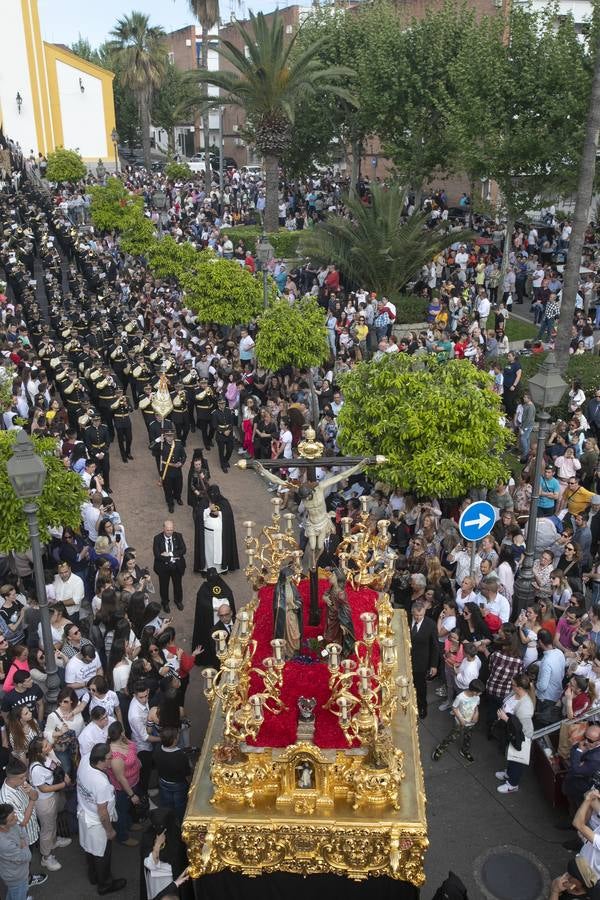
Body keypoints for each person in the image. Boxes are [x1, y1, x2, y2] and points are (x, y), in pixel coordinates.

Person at [77, 742, 127, 896]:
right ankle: (105, 884)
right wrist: (110, 830)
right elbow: (103, 812)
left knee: (90, 849)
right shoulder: (101, 783)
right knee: (102, 854)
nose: (112, 759)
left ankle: (93, 876)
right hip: (97, 822)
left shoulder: (86, 760)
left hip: (84, 812)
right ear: (100, 761)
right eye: (109, 758)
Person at [27, 735, 72, 871]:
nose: (50, 746)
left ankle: (53, 842)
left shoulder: (46, 757)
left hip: (52, 796)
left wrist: (63, 775)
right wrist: (64, 784)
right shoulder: (36, 768)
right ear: (39, 752)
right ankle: (46, 857)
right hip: (44, 801)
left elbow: (55, 767)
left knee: (52, 822)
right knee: (47, 829)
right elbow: (43, 788)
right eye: (46, 746)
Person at [495, 674, 535, 794]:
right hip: (511, 733)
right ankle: (509, 773)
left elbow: (520, 727)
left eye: (512, 684)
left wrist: (505, 719)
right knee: (512, 755)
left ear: (520, 688)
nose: (510, 686)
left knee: (518, 760)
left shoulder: (526, 706)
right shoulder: (515, 694)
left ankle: (513, 784)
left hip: (521, 737)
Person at [0, 802, 46, 900]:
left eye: (14, 814)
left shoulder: (12, 825)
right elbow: (27, 856)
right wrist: (24, 844)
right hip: (16, 877)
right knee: (19, 893)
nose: (16, 818)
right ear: (2, 826)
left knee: (13, 893)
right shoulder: (5, 844)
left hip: (17, 872)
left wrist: (22, 843)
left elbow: (22, 830)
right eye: (12, 818)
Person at [106, 720, 142, 847]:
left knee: (127, 809)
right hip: (123, 789)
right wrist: (132, 795)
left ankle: (129, 824)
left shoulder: (124, 740)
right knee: (121, 811)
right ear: (121, 733)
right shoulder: (115, 756)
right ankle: (123, 836)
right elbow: (121, 778)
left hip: (133, 782)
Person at [431, 678, 484, 764]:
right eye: (479, 692)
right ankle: (440, 749)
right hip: (460, 722)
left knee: (468, 737)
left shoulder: (477, 697)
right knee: (452, 737)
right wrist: (461, 719)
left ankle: (464, 750)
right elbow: (454, 708)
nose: (480, 694)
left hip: (470, 723)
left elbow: (476, 706)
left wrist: (476, 714)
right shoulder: (461, 697)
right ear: (474, 691)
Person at [191, 569, 236, 668]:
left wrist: (219, 607)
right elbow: (202, 604)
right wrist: (213, 607)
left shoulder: (224, 587)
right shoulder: (203, 590)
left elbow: (229, 598)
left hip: (223, 619)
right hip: (210, 621)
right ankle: (211, 658)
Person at [193, 484, 239, 574]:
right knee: (208, 552)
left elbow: (228, 516)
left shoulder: (224, 502)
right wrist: (208, 509)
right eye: (212, 494)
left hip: (221, 535)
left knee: (221, 551)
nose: (214, 495)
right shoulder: (204, 502)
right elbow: (198, 516)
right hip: (208, 535)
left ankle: (222, 569)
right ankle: (207, 569)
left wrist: (219, 513)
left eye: (216, 493)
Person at [409, 600, 439, 720]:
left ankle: (422, 707)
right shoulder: (405, 620)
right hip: (406, 658)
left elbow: (435, 646)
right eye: (416, 615)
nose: (418, 618)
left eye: (420, 615)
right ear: (412, 613)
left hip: (421, 662)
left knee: (420, 686)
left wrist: (433, 665)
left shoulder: (430, 624)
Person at [152, 521, 186, 613]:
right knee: (164, 586)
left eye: (171, 530)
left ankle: (178, 601)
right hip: (163, 568)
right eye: (168, 530)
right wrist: (172, 557)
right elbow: (157, 555)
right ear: (163, 529)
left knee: (178, 585)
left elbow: (183, 550)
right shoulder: (157, 538)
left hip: (177, 566)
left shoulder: (178, 536)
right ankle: (165, 603)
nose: (170, 532)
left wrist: (169, 554)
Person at [159, 428, 186, 514]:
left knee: (178, 486)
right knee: (168, 488)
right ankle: (170, 504)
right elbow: (150, 447)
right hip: (167, 471)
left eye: (171, 436)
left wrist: (181, 463)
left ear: (173, 436)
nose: (170, 438)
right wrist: (159, 440)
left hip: (177, 470)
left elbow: (184, 456)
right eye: (167, 436)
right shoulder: (161, 445)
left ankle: (178, 498)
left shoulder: (178, 444)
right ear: (165, 436)